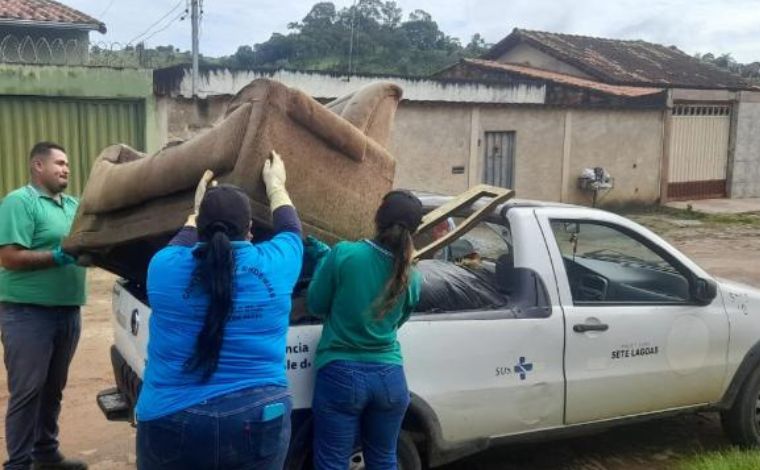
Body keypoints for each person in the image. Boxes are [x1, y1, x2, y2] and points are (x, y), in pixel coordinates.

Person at [135, 151, 303, 470]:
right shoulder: (278, 264)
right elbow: (291, 228)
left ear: (201, 228)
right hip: (259, 415)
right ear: (251, 228)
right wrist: (276, 185)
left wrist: (195, 211)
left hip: (171, 417)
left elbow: (181, 242)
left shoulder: (162, 268)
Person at [307, 190, 424, 470]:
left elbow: (315, 304)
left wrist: (326, 261)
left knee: (332, 462)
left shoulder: (345, 254)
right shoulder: (413, 276)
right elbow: (396, 322)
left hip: (341, 376)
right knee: (384, 459)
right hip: (391, 380)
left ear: (377, 218)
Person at [0, 142, 87, 470]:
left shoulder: (72, 205)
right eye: (59, 163)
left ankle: (46, 454)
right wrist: (57, 256)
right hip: (27, 312)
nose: (66, 169)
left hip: (68, 310)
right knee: (27, 391)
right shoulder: (19, 202)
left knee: (53, 388)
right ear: (38, 165)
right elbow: (8, 257)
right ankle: (19, 464)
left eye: (67, 164)